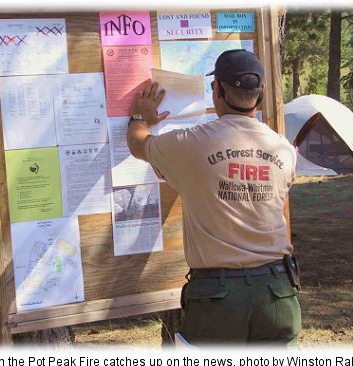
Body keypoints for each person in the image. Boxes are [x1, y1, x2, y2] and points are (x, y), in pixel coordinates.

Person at [126, 49, 301, 345]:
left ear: (217, 91)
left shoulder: (191, 144)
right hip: (277, 290)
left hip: (219, 296)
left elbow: (137, 143)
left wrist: (140, 115)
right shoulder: (283, 150)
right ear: (259, 96)